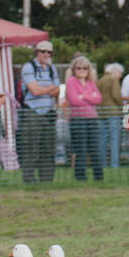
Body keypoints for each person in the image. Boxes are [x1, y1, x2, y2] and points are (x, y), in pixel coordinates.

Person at [19, 40, 61, 183]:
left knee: (48, 149)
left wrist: (45, 89)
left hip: (49, 112)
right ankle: (29, 180)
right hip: (32, 112)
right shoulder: (28, 67)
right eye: (43, 51)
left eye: (49, 52)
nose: (46, 54)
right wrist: (49, 88)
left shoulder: (51, 69)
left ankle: (47, 180)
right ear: (37, 52)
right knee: (30, 148)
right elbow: (34, 90)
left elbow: (57, 91)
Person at [65, 55, 103, 182]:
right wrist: (89, 97)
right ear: (74, 69)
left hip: (92, 119)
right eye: (78, 68)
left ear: (89, 70)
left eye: (85, 68)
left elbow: (98, 99)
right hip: (78, 119)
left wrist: (83, 96)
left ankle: (99, 177)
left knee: (95, 149)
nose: (82, 70)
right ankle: (81, 177)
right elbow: (74, 100)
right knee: (81, 150)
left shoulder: (91, 82)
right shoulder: (71, 81)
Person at [97, 62, 124, 169]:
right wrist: (122, 106)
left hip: (101, 112)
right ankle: (114, 165)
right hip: (113, 112)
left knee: (102, 140)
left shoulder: (100, 80)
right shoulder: (113, 79)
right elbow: (116, 95)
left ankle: (103, 164)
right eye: (120, 73)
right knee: (114, 140)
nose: (121, 76)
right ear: (115, 72)